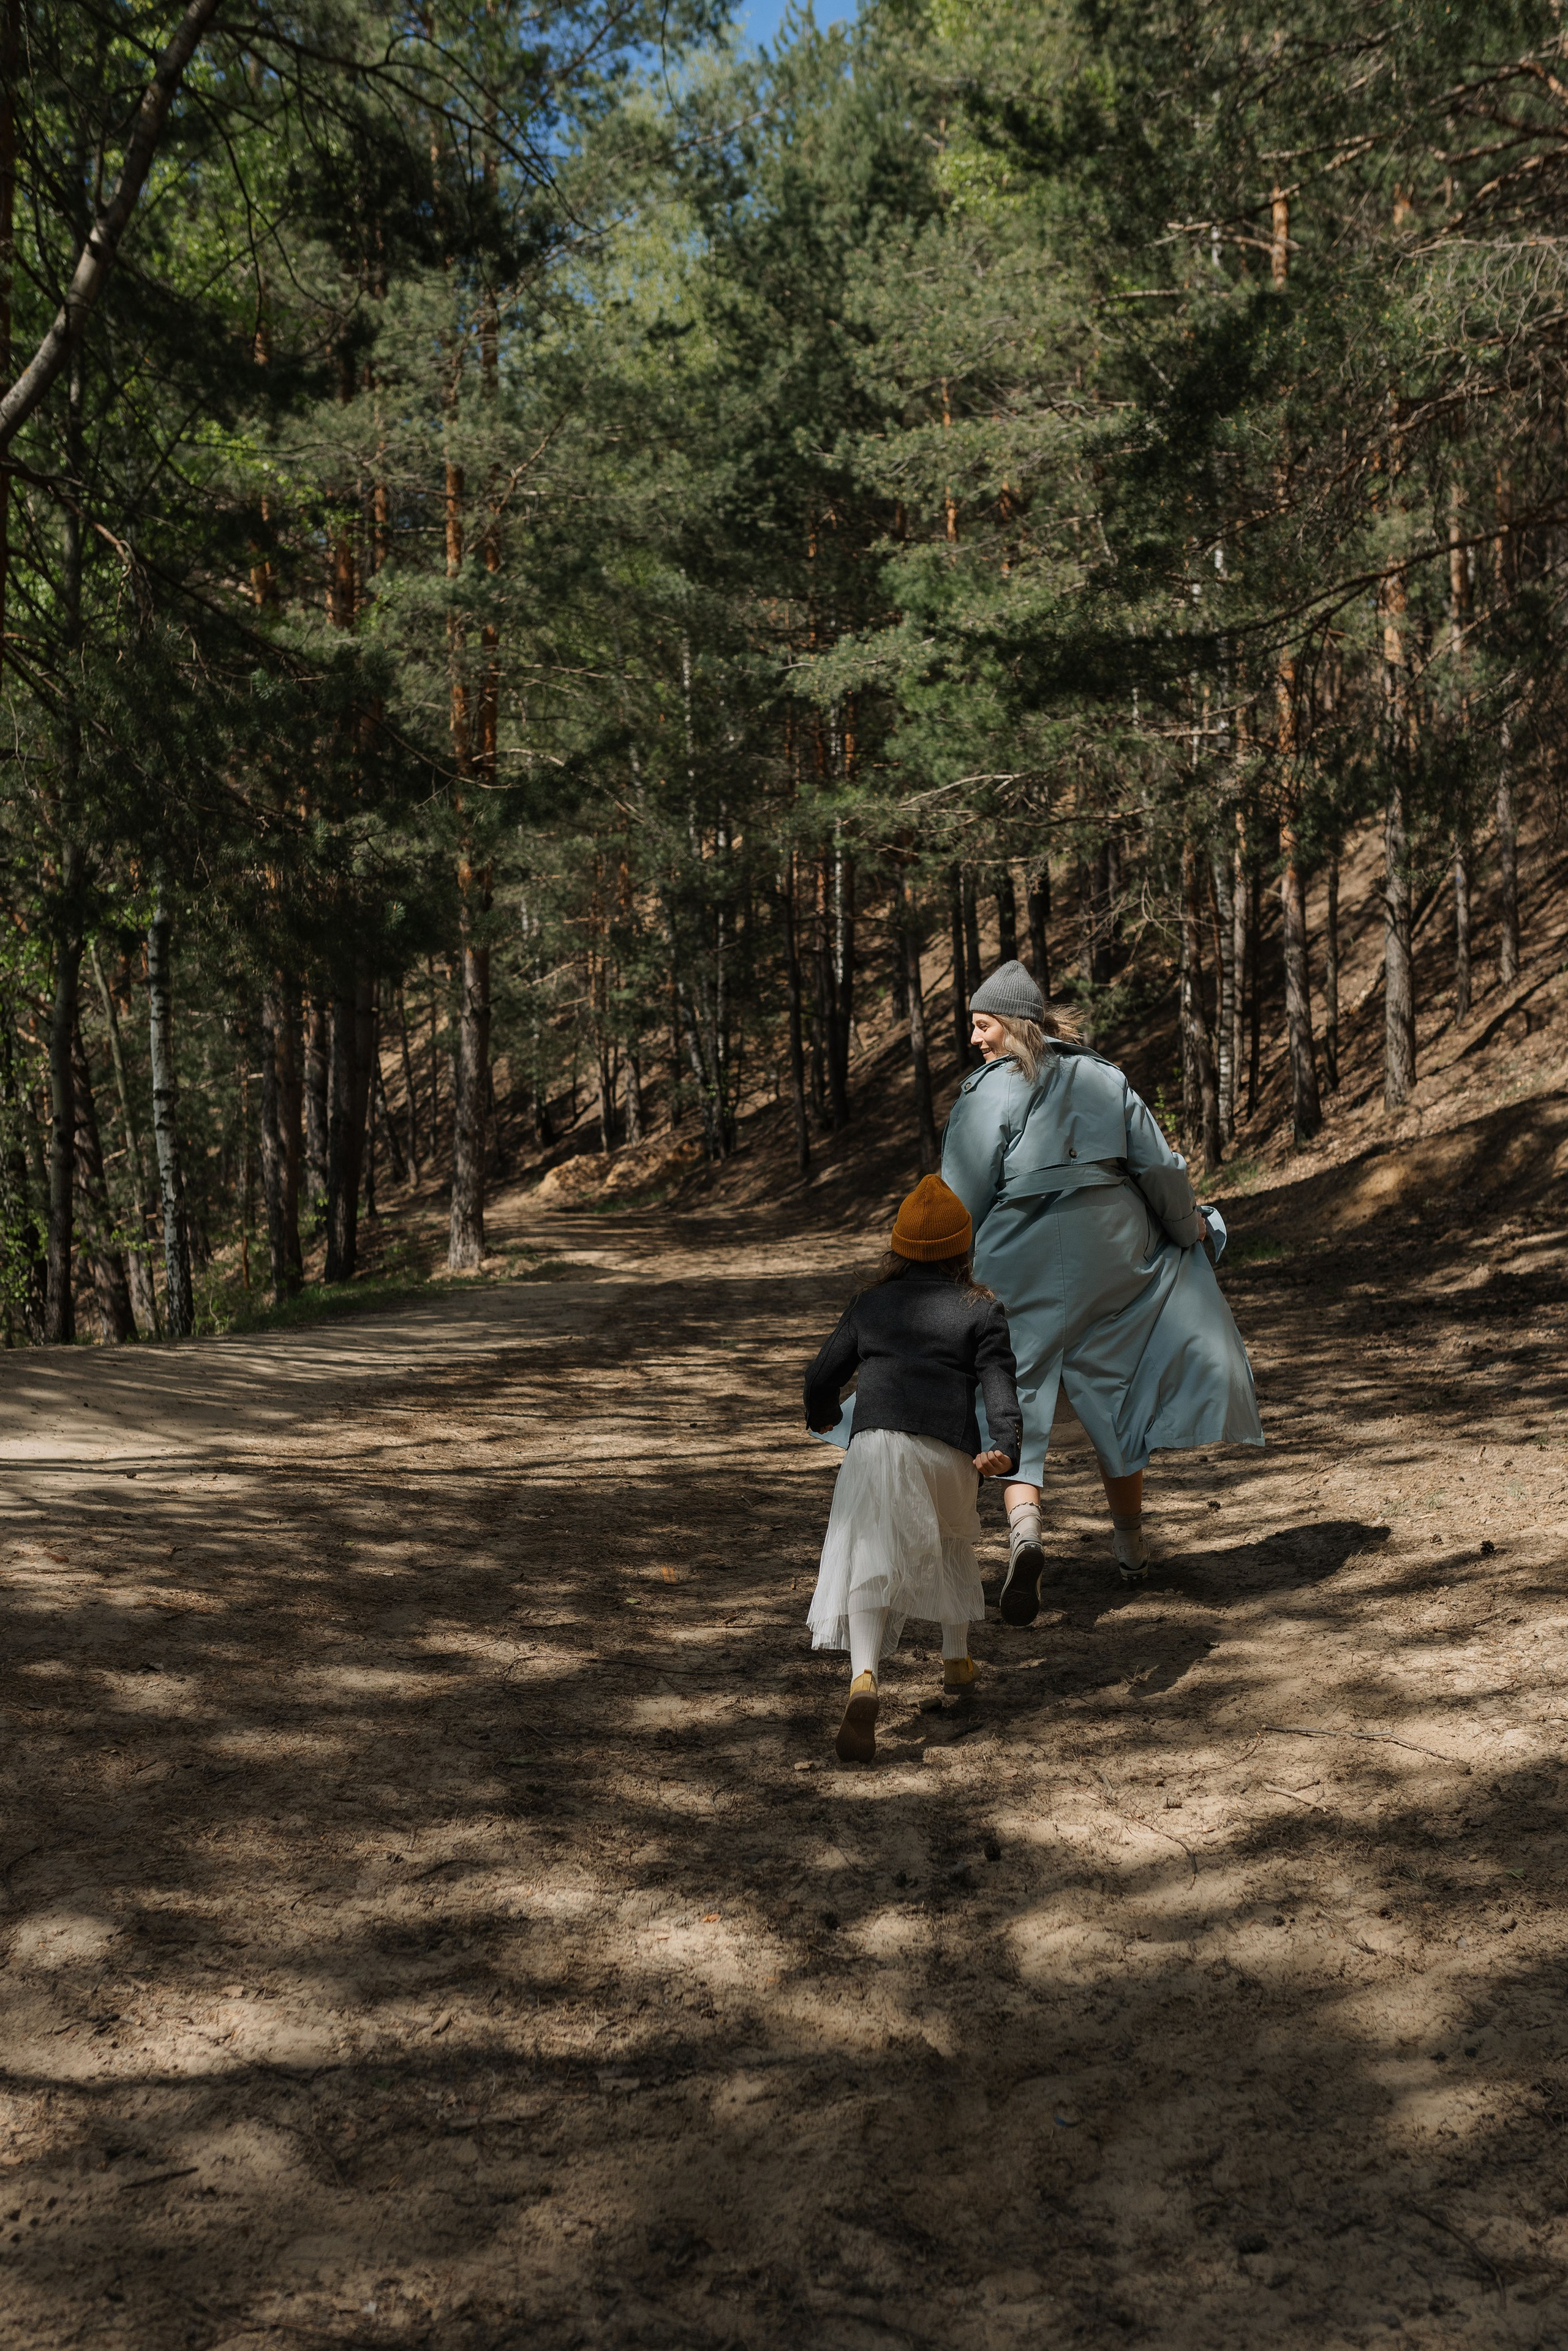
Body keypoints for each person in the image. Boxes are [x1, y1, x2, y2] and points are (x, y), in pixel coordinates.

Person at [941, 958, 1262, 1623]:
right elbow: (1159, 1170)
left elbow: (959, 1197)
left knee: (1011, 1392)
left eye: (982, 1025)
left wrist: (939, 1274)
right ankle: (1131, 1547)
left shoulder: (986, 1093)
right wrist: (1189, 1231)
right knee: (1115, 1388)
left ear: (1015, 1024)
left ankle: (1025, 1533)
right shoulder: (1103, 1077)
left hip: (1019, 1262)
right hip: (1114, 1255)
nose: (974, 1039)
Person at [803, 1173, 1023, 1764]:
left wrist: (824, 1416)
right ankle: (956, 1660)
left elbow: (821, 1376)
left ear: (898, 1246)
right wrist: (1005, 1444)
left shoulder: (870, 1304)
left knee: (867, 1557)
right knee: (950, 1536)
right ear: (962, 1248)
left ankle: (864, 1676)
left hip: (876, 1448)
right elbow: (1000, 1385)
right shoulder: (982, 1309)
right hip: (950, 1454)